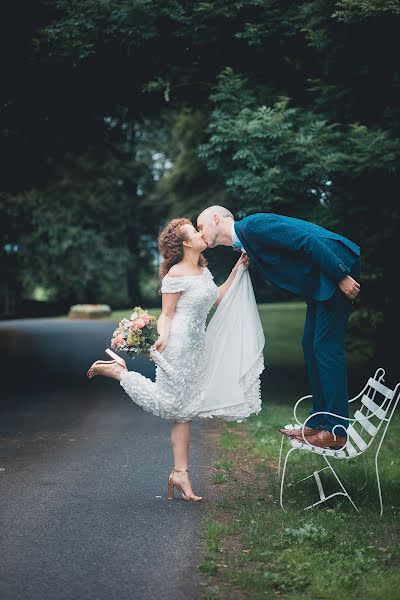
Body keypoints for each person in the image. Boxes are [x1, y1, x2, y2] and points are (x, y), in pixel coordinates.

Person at [87, 218, 264, 501]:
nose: (200, 232)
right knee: (171, 405)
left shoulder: (202, 269)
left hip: (197, 348)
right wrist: (163, 338)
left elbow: (216, 298)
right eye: (194, 230)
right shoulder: (174, 276)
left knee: (184, 411)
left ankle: (180, 473)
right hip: (178, 345)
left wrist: (236, 270)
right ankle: (120, 373)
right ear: (184, 242)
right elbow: (167, 315)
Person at [197, 206, 361, 450]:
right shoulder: (248, 241)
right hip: (320, 281)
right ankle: (319, 422)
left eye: (200, 227)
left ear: (215, 218)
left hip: (336, 266)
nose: (199, 234)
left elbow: (305, 241)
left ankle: (336, 431)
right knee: (310, 344)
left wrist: (341, 276)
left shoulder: (252, 225)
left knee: (326, 348)